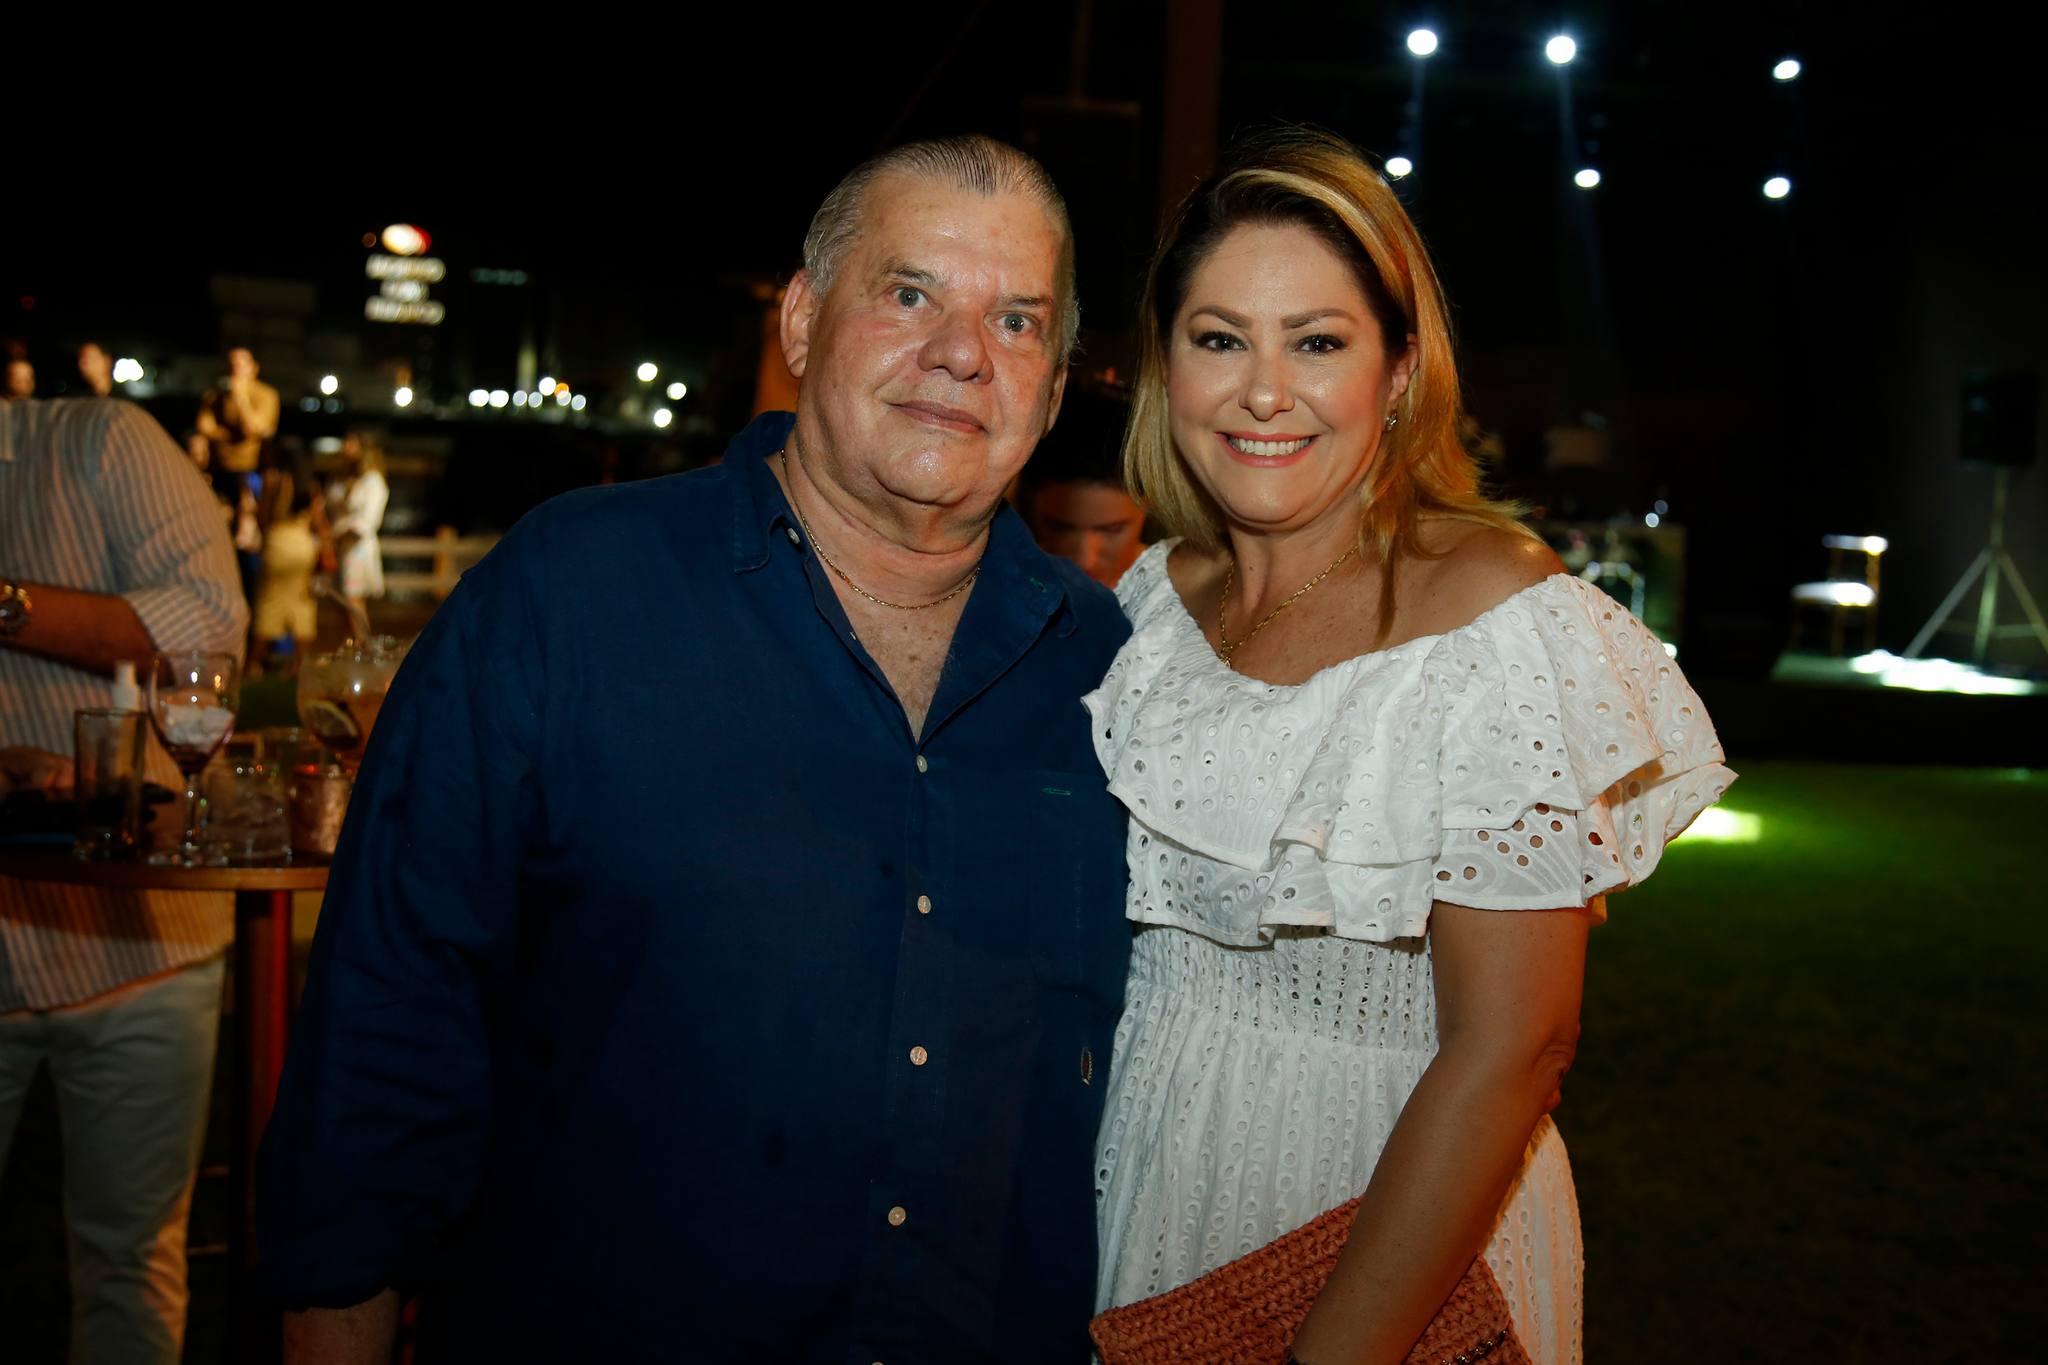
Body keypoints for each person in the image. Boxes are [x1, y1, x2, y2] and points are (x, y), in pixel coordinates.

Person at [258, 135, 1133, 1363]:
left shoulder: (1112, 670)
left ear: (1050, 388)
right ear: (802, 319)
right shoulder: (566, 595)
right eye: (908, 293)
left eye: (1018, 320)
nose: (960, 353)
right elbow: (381, 1042)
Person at [1086, 129, 1736, 1364]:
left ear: (1396, 371)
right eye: (1218, 339)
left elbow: (1514, 1047)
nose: (1262, 392)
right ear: (1165, 367)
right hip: (1155, 1179)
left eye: (1316, 343)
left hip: (1389, 1227)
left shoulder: (1494, 615)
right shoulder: (1151, 603)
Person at [0, 398, 249, 1363]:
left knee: (130, 1263)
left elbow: (209, 629)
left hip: (142, 944)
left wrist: (11, 605)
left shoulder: (98, 441)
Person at [1020, 378, 1146, 587]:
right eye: (1059, 527)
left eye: (1112, 529)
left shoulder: (1187, 594)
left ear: (1150, 502)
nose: (1085, 560)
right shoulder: (1001, 584)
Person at [248, 462, 334, 674]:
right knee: (303, 606)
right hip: (302, 548)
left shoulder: (273, 482)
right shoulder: (309, 488)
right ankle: (299, 665)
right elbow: (319, 522)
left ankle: (254, 663)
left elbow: (263, 517)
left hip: (277, 546)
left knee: (269, 605)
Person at [195, 347, 279, 483]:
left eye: (241, 366)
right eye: (232, 365)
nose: (235, 370)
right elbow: (204, 428)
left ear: (254, 368)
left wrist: (241, 398)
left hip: (251, 469)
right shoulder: (215, 396)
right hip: (218, 465)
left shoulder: (267, 395)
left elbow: (254, 428)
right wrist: (232, 435)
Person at [329, 433, 387, 615]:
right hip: (340, 547)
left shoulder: (373, 481)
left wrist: (341, 534)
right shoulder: (342, 479)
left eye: (352, 444)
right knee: (340, 603)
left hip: (357, 548)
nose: (346, 448)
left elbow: (368, 521)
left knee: (353, 601)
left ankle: (362, 634)